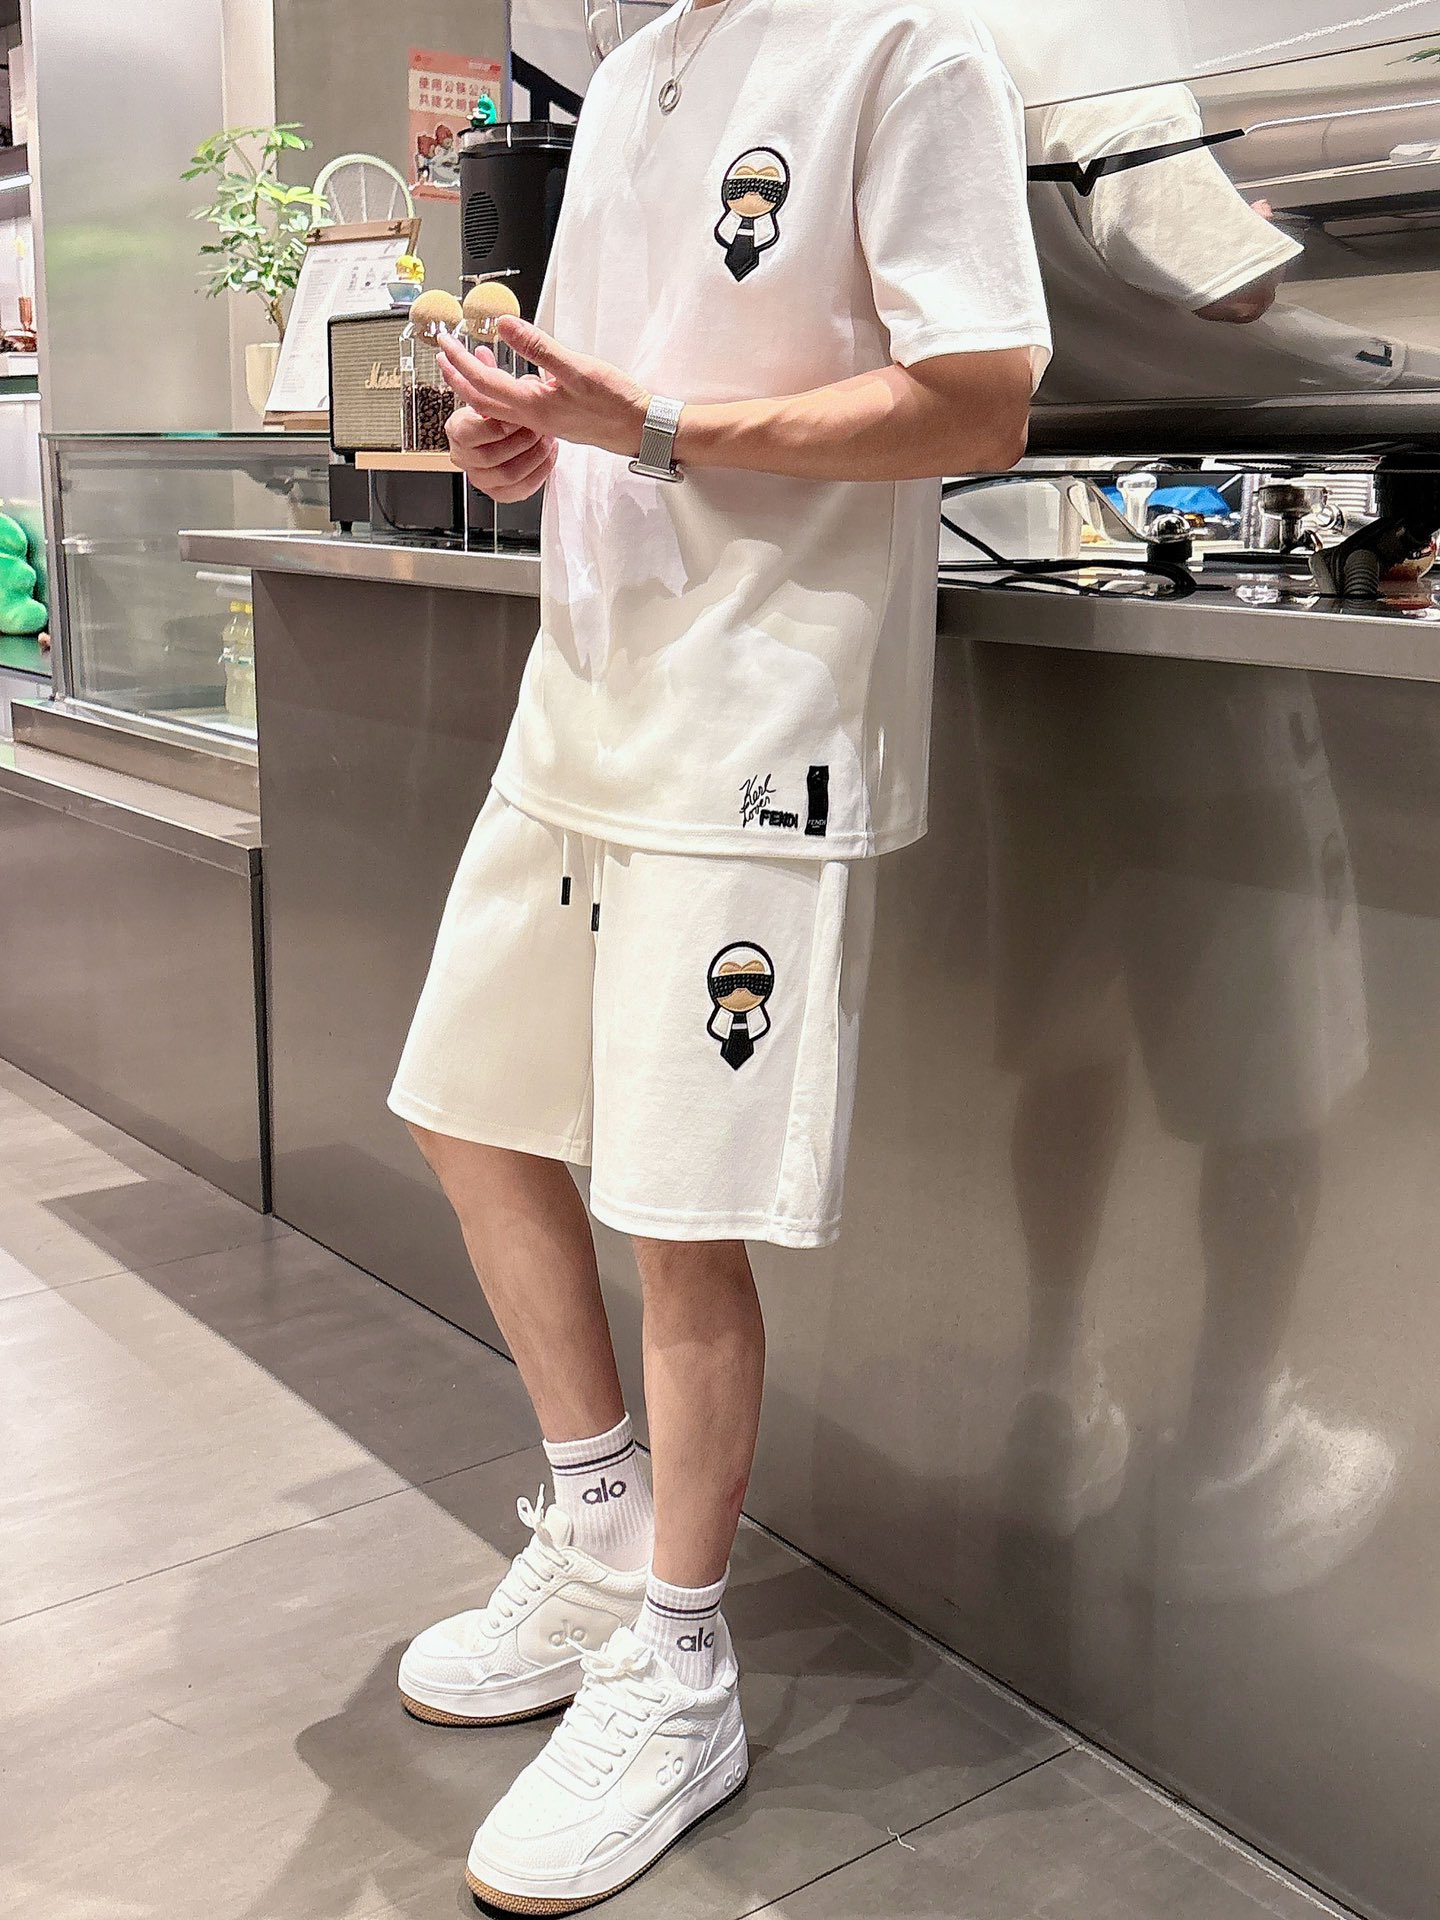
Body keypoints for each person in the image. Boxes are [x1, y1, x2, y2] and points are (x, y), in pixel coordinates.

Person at [385, 0, 1050, 1909]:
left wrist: (652, 428)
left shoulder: (910, 48)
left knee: (681, 1211)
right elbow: (619, 392)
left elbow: (982, 399)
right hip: (587, 683)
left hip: (760, 718)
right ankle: (603, 1533)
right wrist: (530, 436)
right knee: (466, 1106)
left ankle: (680, 1669)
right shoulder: (633, 68)